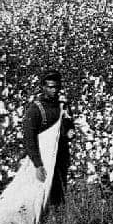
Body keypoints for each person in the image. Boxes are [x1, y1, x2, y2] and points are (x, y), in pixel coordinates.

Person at [23, 69, 74, 206]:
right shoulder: (35, 110)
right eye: (51, 87)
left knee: (58, 195)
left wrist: (69, 132)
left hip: (60, 158)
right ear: (43, 88)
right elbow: (29, 139)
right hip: (42, 160)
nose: (54, 90)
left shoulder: (63, 106)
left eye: (57, 87)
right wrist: (38, 164)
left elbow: (68, 125)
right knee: (38, 196)